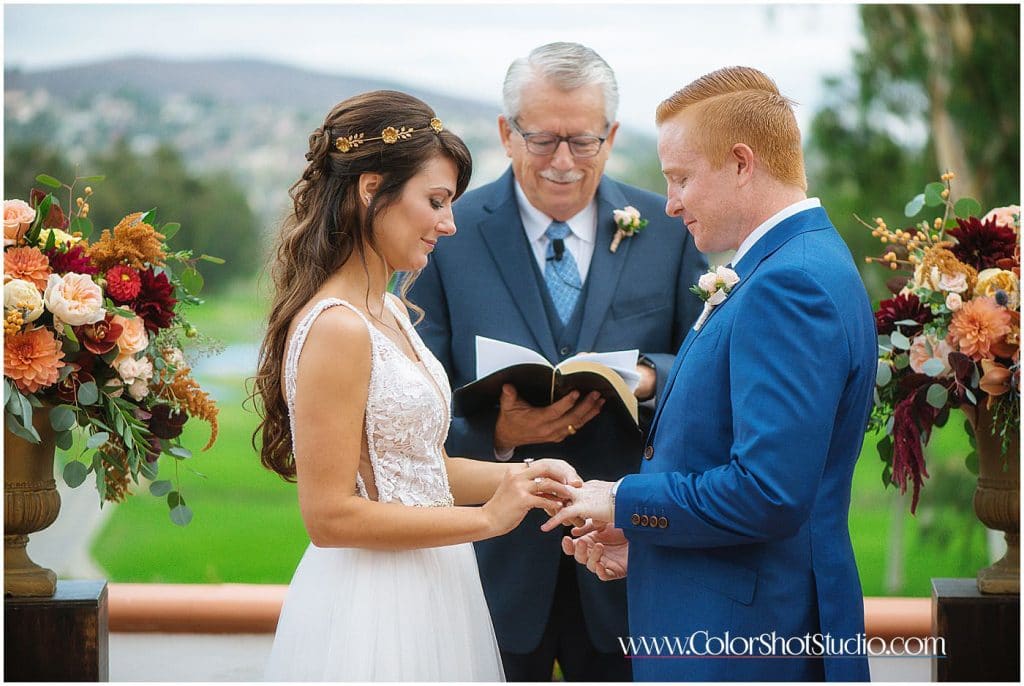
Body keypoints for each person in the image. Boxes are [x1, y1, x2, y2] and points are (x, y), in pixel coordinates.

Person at [550, 66, 876, 682]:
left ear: (741, 163)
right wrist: (647, 541)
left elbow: (767, 492)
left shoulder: (790, 283)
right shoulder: (790, 263)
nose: (670, 203)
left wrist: (621, 500)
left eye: (681, 178)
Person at [252, 90, 582, 682]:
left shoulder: (392, 312)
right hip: (375, 604)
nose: (448, 224)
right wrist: (487, 520)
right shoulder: (337, 327)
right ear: (370, 188)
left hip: (436, 583)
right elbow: (329, 517)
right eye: (435, 201)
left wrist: (523, 477)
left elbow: (418, 471)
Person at [408, 43, 706, 681]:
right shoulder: (445, 236)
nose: (563, 162)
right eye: (542, 140)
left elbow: (707, 366)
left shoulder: (671, 229)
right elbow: (413, 396)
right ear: (505, 133)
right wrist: (496, 432)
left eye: (583, 141)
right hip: (492, 566)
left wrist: (650, 377)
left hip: (628, 559)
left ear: (612, 137)